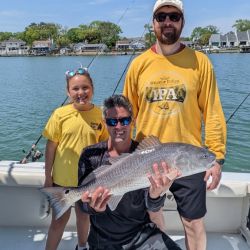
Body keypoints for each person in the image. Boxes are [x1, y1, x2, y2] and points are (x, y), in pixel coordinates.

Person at [123, 0, 227, 249]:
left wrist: (217, 158)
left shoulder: (200, 62)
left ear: (182, 22)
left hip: (189, 158)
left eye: (173, 16)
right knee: (152, 217)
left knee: (193, 223)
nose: (167, 21)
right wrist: (115, 154)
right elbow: (127, 117)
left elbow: (212, 112)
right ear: (153, 24)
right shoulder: (138, 64)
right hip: (147, 158)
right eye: (161, 16)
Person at [78, 94, 182, 250]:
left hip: (142, 236)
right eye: (112, 122)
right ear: (105, 123)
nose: (119, 127)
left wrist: (157, 195)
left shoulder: (149, 155)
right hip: (103, 239)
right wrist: (93, 207)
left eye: (124, 120)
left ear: (133, 121)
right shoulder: (90, 155)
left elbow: (153, 208)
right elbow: (82, 204)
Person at [43, 67, 108, 250]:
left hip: (88, 181)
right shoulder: (59, 114)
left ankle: (82, 246)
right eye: (75, 89)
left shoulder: (101, 114)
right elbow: (51, 146)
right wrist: (48, 176)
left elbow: (105, 147)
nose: (81, 93)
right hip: (62, 182)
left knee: (83, 217)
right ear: (68, 92)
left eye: (85, 88)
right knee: (58, 222)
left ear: (93, 89)